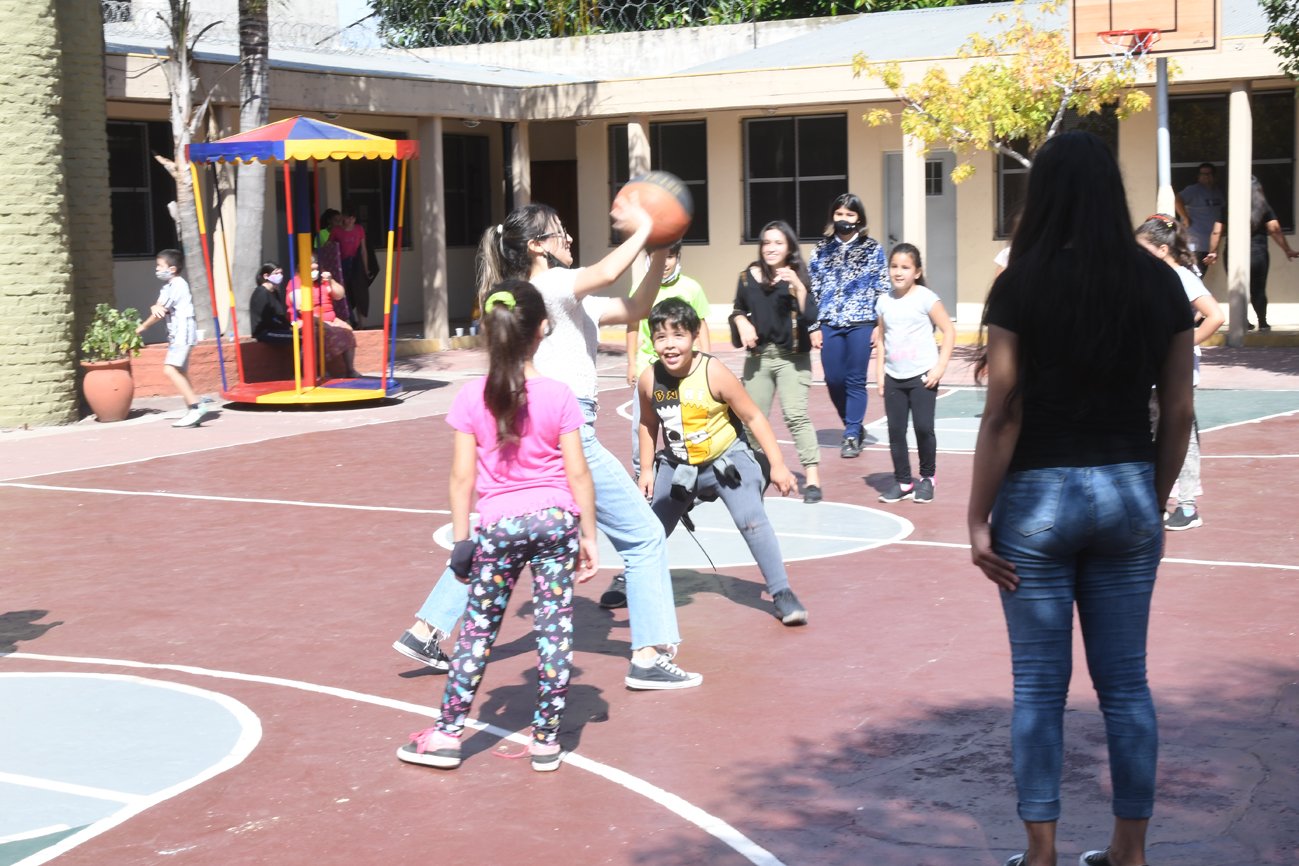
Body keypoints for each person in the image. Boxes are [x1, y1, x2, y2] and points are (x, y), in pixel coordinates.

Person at [967, 131, 1194, 866]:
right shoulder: (1159, 282)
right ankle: (1129, 851)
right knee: (1125, 686)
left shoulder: (1021, 283)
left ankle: (1041, 854)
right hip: (1126, 489)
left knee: (1039, 689)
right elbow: (1179, 410)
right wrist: (1151, 497)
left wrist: (976, 519)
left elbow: (1003, 412)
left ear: (1043, 195)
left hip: (1037, 497)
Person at [393, 199, 704, 691]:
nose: (569, 238)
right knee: (645, 536)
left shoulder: (559, 297)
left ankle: (425, 629)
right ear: (537, 246)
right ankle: (649, 654)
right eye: (560, 232)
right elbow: (607, 271)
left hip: (537, 428)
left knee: (502, 533)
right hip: (569, 430)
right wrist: (646, 227)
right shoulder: (554, 284)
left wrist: (659, 253)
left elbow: (637, 308)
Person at [396, 280, 598, 773]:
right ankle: (547, 741)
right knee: (555, 627)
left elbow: (461, 477)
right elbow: (578, 473)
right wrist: (589, 534)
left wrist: (462, 540)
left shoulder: (472, 397)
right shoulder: (560, 395)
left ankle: (447, 735)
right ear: (542, 329)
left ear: (489, 331)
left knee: (478, 631)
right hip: (555, 521)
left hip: (499, 525)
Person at [636, 298, 807, 625]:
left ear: (694, 336)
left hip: (726, 460)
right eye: (661, 337)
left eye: (678, 335)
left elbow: (753, 416)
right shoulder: (649, 379)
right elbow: (647, 423)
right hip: (679, 464)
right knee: (650, 528)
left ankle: (782, 592)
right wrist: (646, 470)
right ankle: (630, 580)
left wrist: (778, 465)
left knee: (751, 520)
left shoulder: (713, 372)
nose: (669, 345)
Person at [1135, 214, 1225, 531]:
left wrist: (1182, 344)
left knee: (1179, 433)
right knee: (1154, 431)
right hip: (1154, 368)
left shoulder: (1181, 277)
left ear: (1162, 249)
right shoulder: (1151, 277)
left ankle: (1186, 505)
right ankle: (1153, 498)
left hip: (1176, 371)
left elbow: (1215, 316)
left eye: (1142, 249)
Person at [728, 220, 822, 503]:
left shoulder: (798, 276)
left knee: (795, 415)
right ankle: (754, 475)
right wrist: (741, 321)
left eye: (778, 243)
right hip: (759, 358)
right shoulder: (747, 277)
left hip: (792, 358)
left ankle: (813, 478)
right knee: (750, 419)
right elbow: (737, 309)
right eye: (766, 242)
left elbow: (811, 317)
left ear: (789, 247)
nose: (771, 248)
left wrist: (798, 287)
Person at [808, 193, 890, 459]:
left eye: (850, 214)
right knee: (833, 379)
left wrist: (879, 325)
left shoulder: (872, 248)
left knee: (855, 380)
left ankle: (852, 434)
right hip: (830, 322)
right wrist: (814, 326)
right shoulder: (821, 249)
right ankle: (852, 424)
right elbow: (812, 290)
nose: (844, 219)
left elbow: (882, 287)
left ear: (859, 219)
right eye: (839, 214)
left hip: (862, 322)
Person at [872, 243, 955, 504]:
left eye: (905, 267)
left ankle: (928, 478)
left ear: (917, 272)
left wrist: (939, 367)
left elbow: (949, 331)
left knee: (923, 428)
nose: (898, 272)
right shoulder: (883, 301)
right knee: (896, 431)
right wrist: (879, 373)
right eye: (894, 266)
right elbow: (882, 339)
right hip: (893, 377)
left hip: (923, 377)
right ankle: (904, 482)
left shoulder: (926, 298)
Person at [625, 241, 712, 479]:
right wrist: (631, 363)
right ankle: (642, 476)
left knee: (686, 426)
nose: (663, 263)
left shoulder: (691, 288)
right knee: (642, 426)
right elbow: (632, 326)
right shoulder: (641, 289)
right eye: (657, 258)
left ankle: (693, 476)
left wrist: (706, 359)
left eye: (669, 257)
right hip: (649, 368)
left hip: (684, 371)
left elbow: (702, 325)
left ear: (678, 258)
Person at [136, 248, 210, 428]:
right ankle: (192, 409)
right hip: (177, 334)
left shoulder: (178, 284)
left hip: (182, 333)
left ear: (172, 269)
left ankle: (196, 407)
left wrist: (142, 327)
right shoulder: (168, 286)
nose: (157, 269)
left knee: (170, 369)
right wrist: (155, 306)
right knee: (180, 371)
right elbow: (159, 306)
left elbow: (160, 311)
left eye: (160, 266)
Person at [1233, 176, 1298, 331]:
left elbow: (1217, 231)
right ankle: (1262, 322)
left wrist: (1213, 251)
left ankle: (1242, 322)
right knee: (1258, 289)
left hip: (1234, 253)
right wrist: (1287, 250)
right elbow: (1274, 229)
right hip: (1258, 253)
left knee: (1237, 288)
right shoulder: (1264, 207)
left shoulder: (1232, 206)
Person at [291, 259, 359, 378]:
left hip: (329, 319)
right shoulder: (297, 282)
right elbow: (300, 308)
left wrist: (331, 281)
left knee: (347, 330)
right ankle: (317, 369)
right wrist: (322, 323)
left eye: (316, 269)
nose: (314, 272)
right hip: (307, 320)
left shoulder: (323, 281)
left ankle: (350, 369)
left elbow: (340, 295)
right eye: (311, 269)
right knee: (319, 333)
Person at [1175, 163, 1224, 275]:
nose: (1206, 177)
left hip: (1208, 246)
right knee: (1192, 278)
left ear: (1215, 176)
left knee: (1198, 277)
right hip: (1193, 245)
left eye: (1209, 174)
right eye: (1203, 174)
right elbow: (1178, 200)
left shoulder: (1218, 192)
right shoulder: (1193, 190)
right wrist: (1185, 217)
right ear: (1198, 176)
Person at [331, 206, 374, 326]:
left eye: (353, 218)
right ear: (343, 217)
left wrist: (366, 268)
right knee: (344, 294)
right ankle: (350, 321)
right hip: (342, 265)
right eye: (348, 217)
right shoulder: (336, 230)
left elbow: (363, 250)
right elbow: (330, 248)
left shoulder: (359, 229)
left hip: (356, 263)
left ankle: (361, 324)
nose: (350, 220)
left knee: (360, 293)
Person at [248, 262, 293, 345]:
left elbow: (280, 315)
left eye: (281, 273)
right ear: (266, 276)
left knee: (300, 335)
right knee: (298, 338)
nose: (280, 276)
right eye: (276, 273)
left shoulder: (274, 292)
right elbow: (267, 320)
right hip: (265, 332)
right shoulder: (261, 293)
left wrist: (290, 327)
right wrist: (285, 327)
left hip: (276, 330)